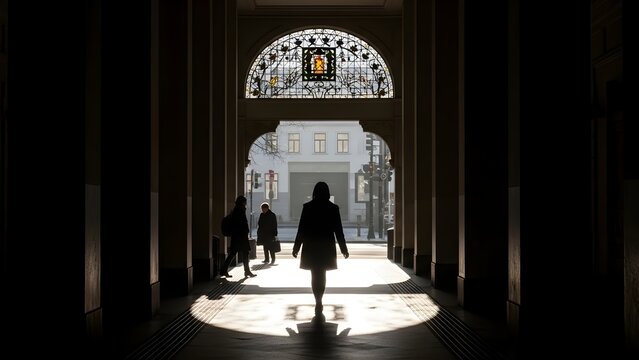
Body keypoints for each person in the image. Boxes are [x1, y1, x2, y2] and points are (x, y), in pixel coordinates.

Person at [292, 181, 349, 321]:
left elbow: (302, 229)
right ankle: (320, 300)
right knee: (322, 274)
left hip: (311, 246)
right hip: (326, 246)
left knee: (314, 274)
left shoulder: (308, 207)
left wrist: (296, 247)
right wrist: (344, 249)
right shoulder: (333, 208)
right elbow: (339, 231)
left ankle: (317, 300)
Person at [220, 196, 257, 278]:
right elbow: (241, 223)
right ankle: (246, 271)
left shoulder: (237, 209)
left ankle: (223, 270)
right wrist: (245, 231)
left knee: (234, 253)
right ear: (242, 202)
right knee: (245, 253)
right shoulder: (240, 210)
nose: (246, 203)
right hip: (241, 236)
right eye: (245, 202)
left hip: (237, 236)